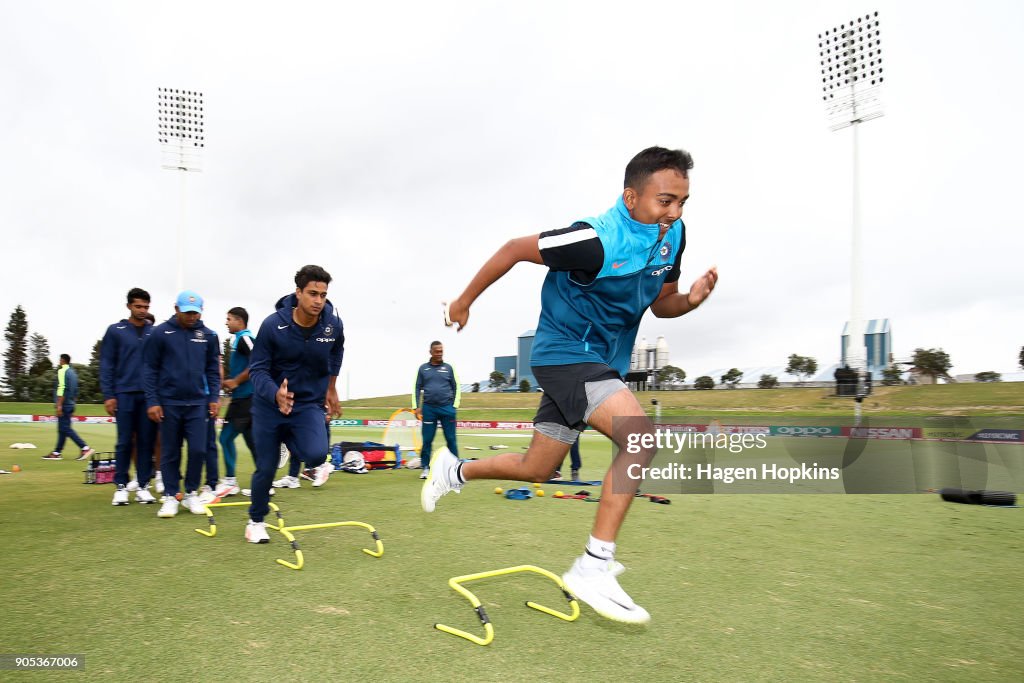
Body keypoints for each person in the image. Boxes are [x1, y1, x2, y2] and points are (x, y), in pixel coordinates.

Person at [424, 146, 718, 624]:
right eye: (665, 201)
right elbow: (515, 249)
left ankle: (454, 471)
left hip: (600, 363)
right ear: (631, 196)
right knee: (641, 438)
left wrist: (691, 300)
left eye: (683, 202)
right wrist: (464, 300)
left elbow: (662, 304)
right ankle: (593, 567)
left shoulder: (674, 235)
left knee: (536, 467)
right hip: (563, 354)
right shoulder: (594, 240)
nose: (675, 212)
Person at [245, 265, 343, 543]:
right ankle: (255, 521)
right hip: (269, 407)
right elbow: (257, 370)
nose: (318, 301)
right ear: (298, 293)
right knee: (266, 466)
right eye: (312, 293)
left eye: (323, 295)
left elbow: (337, 350)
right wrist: (275, 393)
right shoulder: (272, 325)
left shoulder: (332, 324)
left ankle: (291, 440)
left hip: (306, 404)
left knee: (316, 455)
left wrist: (331, 387)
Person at [143, 290, 221, 518]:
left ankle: (190, 494)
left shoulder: (208, 335)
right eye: (187, 312)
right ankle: (170, 495)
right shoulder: (160, 333)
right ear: (176, 309)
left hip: (198, 403)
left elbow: (212, 371)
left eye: (196, 313)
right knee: (170, 451)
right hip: (169, 403)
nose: (191, 317)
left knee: (198, 450)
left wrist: (214, 398)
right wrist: (153, 401)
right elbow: (150, 369)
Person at [99, 287, 158, 505]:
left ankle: (143, 486)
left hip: (149, 396)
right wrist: (108, 395)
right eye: (138, 306)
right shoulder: (115, 330)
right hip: (123, 394)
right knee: (124, 441)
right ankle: (121, 487)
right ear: (129, 306)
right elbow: (107, 364)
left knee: (146, 442)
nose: (142, 310)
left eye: (146, 307)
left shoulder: (154, 332)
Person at [216, 307, 256, 497]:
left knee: (225, 438)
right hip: (245, 399)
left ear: (239, 320)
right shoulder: (238, 339)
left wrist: (236, 381)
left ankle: (231, 481)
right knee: (252, 442)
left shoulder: (245, 338)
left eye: (229, 319)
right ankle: (264, 482)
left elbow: (257, 361)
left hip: (245, 400)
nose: (226, 322)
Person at [412, 341, 460, 480]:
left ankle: (454, 468)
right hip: (429, 409)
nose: (440, 353)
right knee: (427, 440)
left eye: (441, 351)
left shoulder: (448, 368)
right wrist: (416, 407)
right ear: (431, 352)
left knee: (451, 439)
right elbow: (417, 387)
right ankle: (426, 467)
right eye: (437, 351)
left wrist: (454, 406)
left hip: (447, 409)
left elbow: (456, 386)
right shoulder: (423, 369)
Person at [43, 354, 95, 462]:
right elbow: (76, 391)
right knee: (62, 429)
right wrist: (72, 404)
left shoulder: (62, 371)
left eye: (60, 360)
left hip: (64, 404)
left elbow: (62, 388)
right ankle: (57, 452)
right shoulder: (73, 373)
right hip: (70, 404)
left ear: (62, 360)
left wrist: (59, 405)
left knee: (65, 429)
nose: (59, 361)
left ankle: (85, 448)